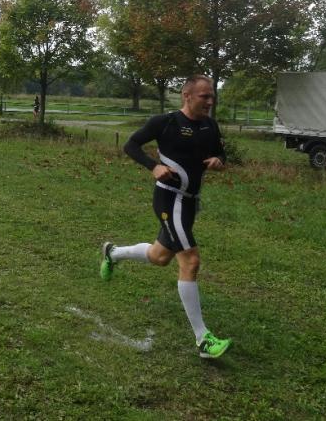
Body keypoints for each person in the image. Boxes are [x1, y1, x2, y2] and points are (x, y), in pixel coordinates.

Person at [99, 74, 231, 359]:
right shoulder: (165, 122)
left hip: (190, 203)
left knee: (160, 257)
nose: (210, 101)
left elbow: (221, 155)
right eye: (204, 96)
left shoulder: (210, 125)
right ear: (187, 95)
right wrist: (153, 166)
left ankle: (113, 253)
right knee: (191, 261)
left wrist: (219, 162)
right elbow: (131, 145)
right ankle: (203, 340)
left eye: (212, 96)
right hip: (170, 199)